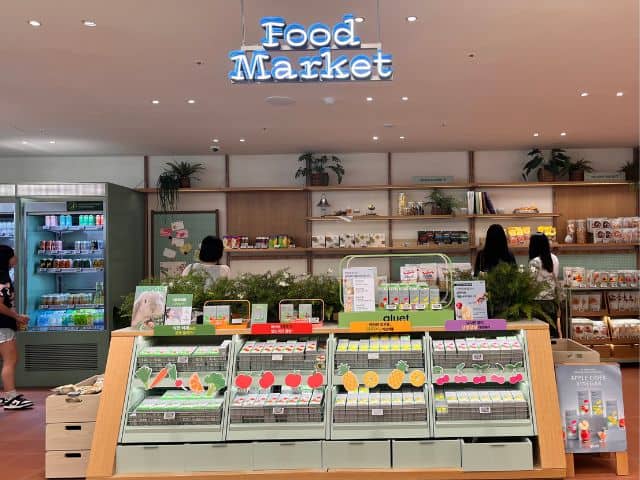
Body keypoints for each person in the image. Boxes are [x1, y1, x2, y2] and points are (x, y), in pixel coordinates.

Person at [0, 245, 32, 410]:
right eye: (13, 255)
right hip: (2, 325)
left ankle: (7, 395)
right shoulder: (2, 277)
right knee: (10, 359)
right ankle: (11, 397)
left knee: (9, 359)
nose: (16, 258)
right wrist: (17, 317)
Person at [529, 232, 560, 336]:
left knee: (539, 333)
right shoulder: (554, 258)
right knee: (551, 331)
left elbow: (530, 282)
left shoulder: (535, 262)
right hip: (551, 301)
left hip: (538, 302)